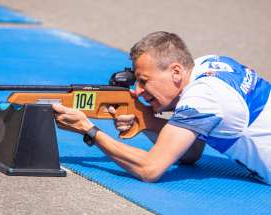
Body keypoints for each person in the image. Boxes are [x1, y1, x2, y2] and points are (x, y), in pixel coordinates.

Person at [52, 31, 271, 185]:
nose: (136, 91)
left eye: (144, 80)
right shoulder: (207, 65)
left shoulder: (202, 97)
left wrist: (87, 129)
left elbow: (150, 169)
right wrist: (144, 119)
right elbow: (190, 154)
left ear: (176, 72)